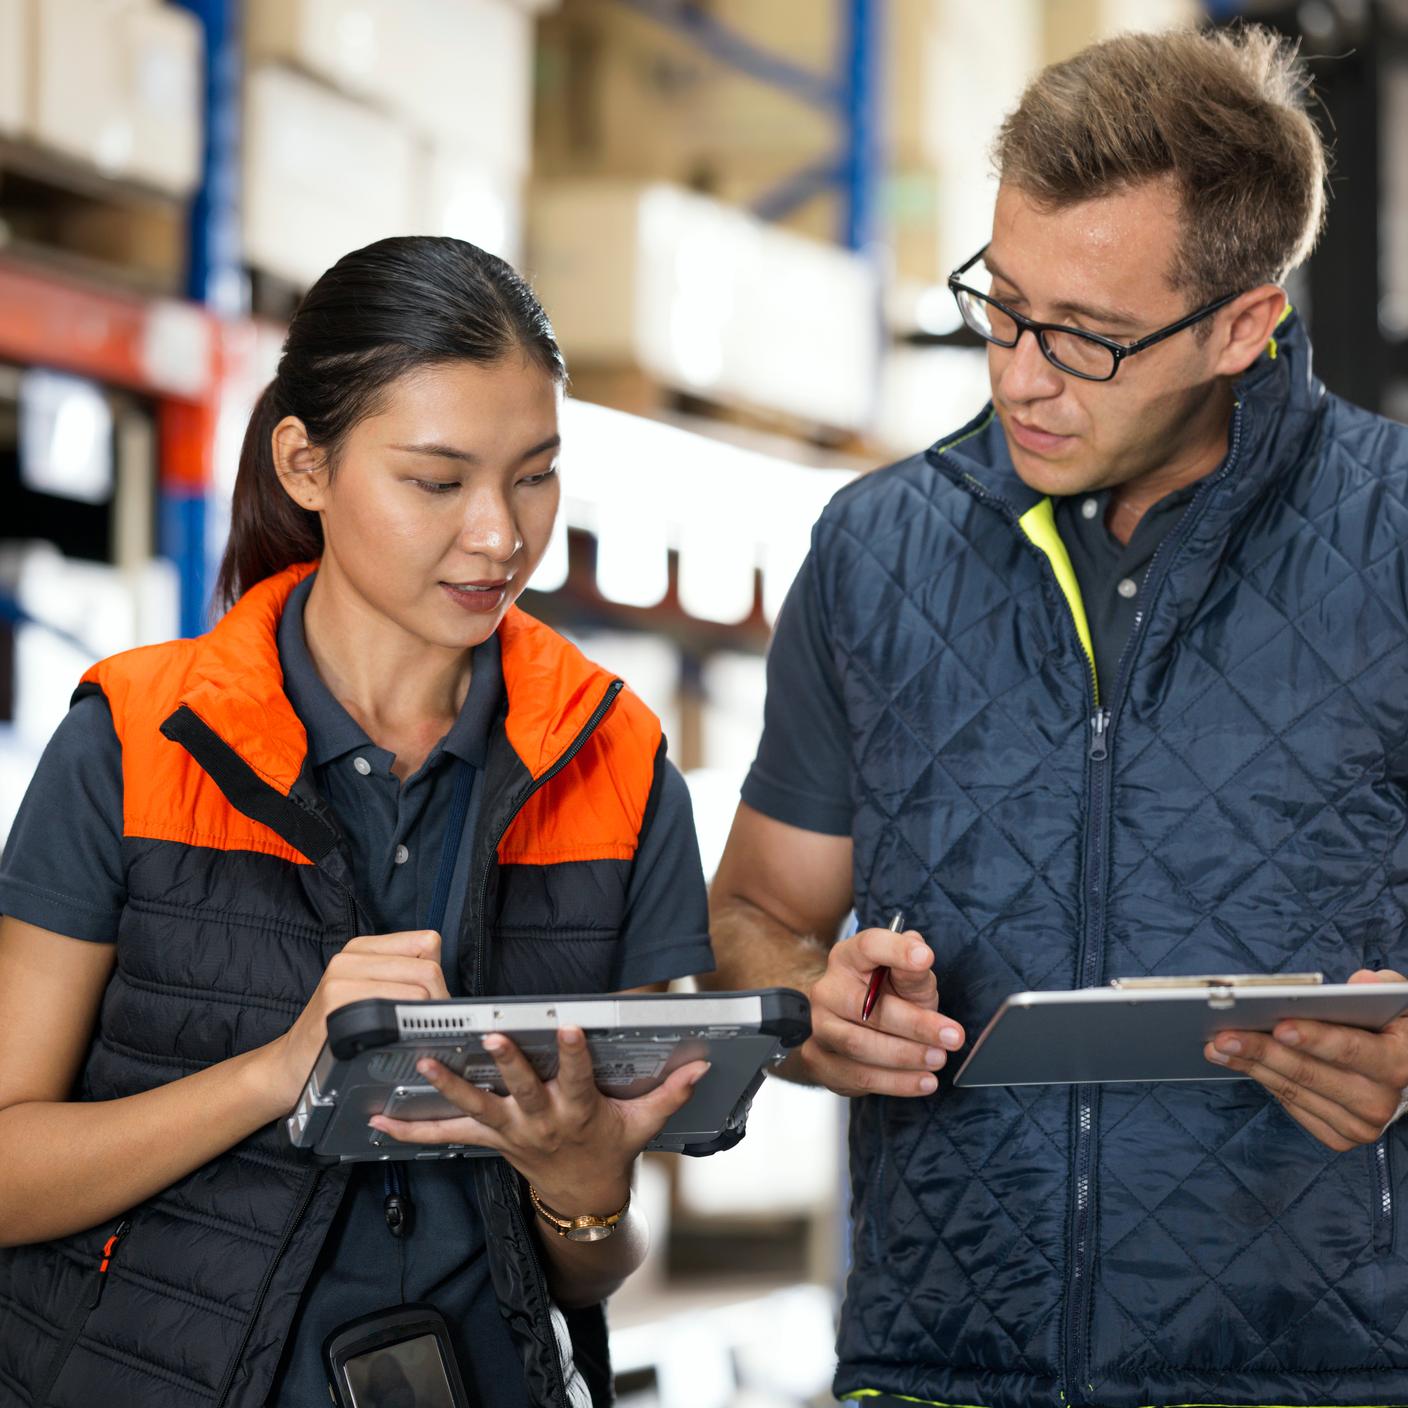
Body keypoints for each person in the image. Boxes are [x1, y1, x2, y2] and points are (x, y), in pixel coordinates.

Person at [704, 25, 1408, 1408]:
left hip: (1319, 1377)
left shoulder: (1395, 539)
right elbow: (754, 913)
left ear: (1241, 325)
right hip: (936, 1373)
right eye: (1000, 303)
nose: (1019, 373)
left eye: (1085, 339)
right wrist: (802, 1006)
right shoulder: (876, 552)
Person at [0, 236, 715, 1408]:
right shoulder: (135, 739)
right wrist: (276, 1072)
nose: (499, 534)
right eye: (437, 482)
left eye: (533, 474)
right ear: (306, 464)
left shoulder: (617, 764)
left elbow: (592, 1264)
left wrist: (583, 1186)